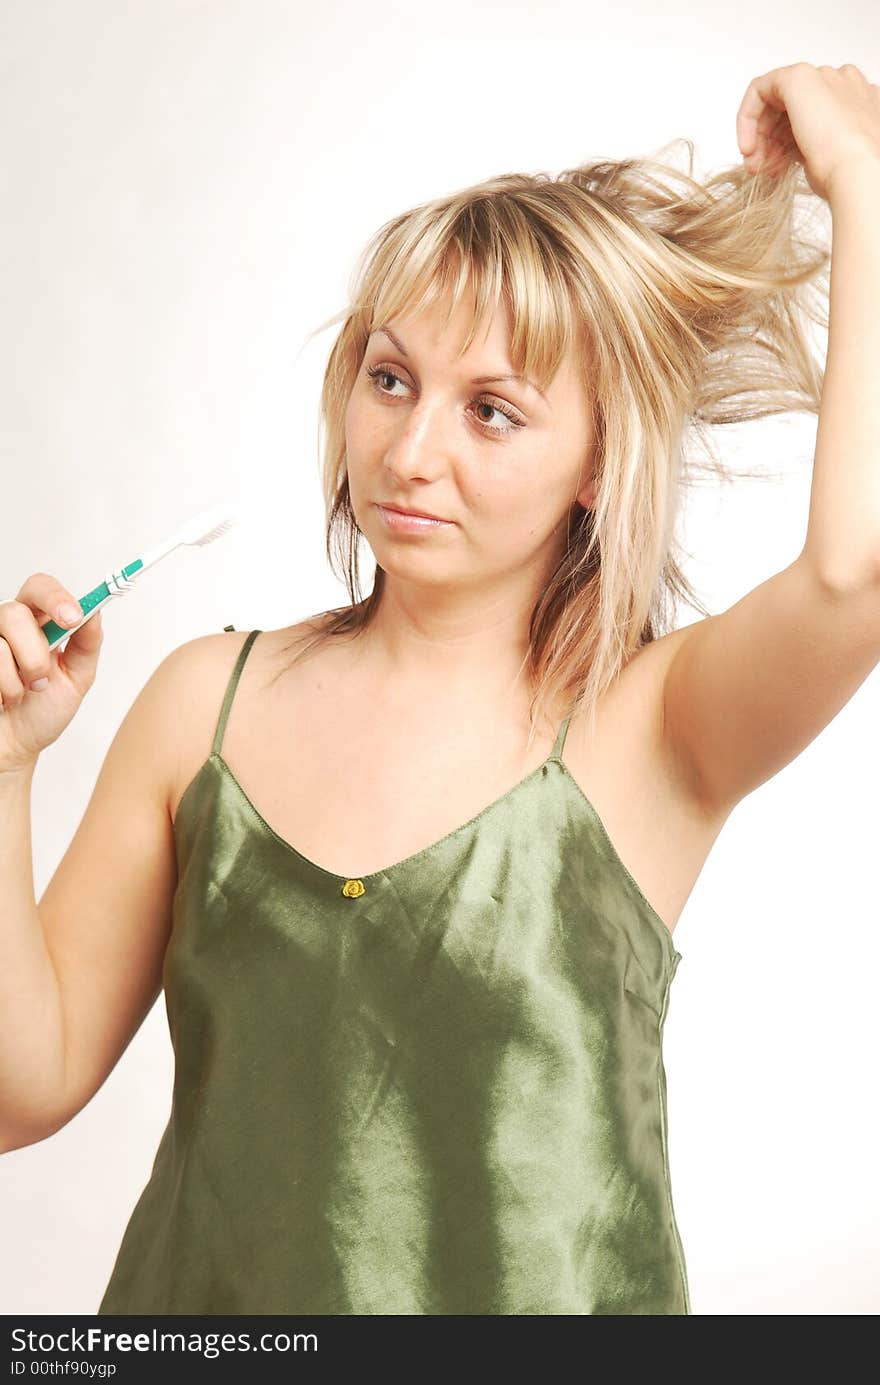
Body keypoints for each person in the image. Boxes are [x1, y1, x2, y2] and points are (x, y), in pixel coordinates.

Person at [1, 62, 878, 1315]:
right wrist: (6, 765)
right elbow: (20, 1091)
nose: (412, 453)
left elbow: (856, 577)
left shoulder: (654, 726)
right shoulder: (205, 705)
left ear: (598, 462)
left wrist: (862, 180)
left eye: (494, 412)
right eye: (392, 378)